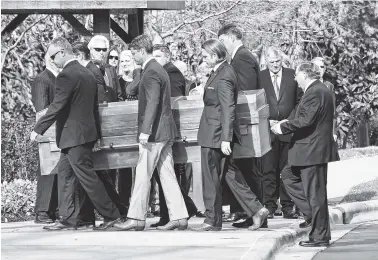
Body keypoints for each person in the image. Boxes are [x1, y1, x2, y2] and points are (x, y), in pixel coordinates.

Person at [30, 37, 121, 231]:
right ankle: (69, 218)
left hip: (74, 137)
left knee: (87, 178)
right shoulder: (87, 73)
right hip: (82, 136)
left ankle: (112, 214)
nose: (52, 60)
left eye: (53, 56)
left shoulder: (66, 75)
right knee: (65, 176)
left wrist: (38, 128)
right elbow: (94, 109)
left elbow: (57, 106)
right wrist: (97, 135)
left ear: (63, 52)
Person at [191, 39, 269, 232]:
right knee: (230, 175)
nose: (203, 59)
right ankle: (257, 210)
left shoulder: (224, 75)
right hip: (215, 132)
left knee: (211, 177)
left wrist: (226, 138)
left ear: (216, 55)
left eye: (206, 55)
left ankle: (212, 220)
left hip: (215, 135)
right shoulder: (222, 72)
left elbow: (228, 108)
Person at [113, 35, 188, 231]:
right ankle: (179, 216)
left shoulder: (152, 72)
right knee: (167, 174)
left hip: (154, 134)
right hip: (164, 132)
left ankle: (136, 218)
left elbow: (153, 102)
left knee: (142, 173)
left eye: (133, 53)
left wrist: (145, 131)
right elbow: (132, 89)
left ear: (140, 51)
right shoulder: (154, 69)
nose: (133, 57)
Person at [271, 62, 334, 247]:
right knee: (289, 175)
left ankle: (319, 236)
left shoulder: (315, 91)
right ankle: (311, 216)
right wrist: (283, 121)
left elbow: (306, 120)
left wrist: (282, 127)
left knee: (316, 194)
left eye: (297, 75)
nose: (295, 79)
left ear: (305, 75)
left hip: (312, 151)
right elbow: (304, 115)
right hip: (309, 150)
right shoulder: (317, 90)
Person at [72, 42, 128, 229]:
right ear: (88, 51)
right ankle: (113, 211)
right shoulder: (91, 71)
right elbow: (95, 104)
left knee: (98, 173)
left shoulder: (104, 71)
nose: (103, 53)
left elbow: (104, 101)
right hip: (93, 129)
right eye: (98, 49)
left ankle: (111, 212)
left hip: (96, 130)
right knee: (98, 173)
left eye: (105, 50)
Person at [218, 23, 264, 226]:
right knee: (244, 168)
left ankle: (254, 212)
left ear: (231, 38)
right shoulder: (241, 56)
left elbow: (244, 93)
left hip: (243, 122)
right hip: (243, 122)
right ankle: (250, 212)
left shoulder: (242, 57)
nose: (221, 46)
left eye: (222, 41)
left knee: (245, 168)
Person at [149, 44, 198, 228]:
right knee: (164, 173)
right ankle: (172, 213)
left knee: (166, 174)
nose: (155, 59)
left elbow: (173, 103)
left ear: (167, 56)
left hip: (170, 131)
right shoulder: (164, 71)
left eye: (158, 55)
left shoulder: (171, 73)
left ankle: (174, 213)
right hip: (167, 131)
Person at [260, 47, 303, 219]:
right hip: (268, 129)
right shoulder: (260, 76)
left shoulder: (291, 75)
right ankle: (269, 206)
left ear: (281, 59)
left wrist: (288, 121)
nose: (275, 65)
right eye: (272, 62)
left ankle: (288, 206)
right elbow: (255, 100)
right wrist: (266, 119)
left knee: (288, 169)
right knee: (268, 169)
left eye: (277, 61)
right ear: (266, 62)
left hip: (287, 129)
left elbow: (299, 101)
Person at [31, 54, 59, 224]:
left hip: (56, 131)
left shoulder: (56, 78)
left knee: (54, 171)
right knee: (46, 172)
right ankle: (42, 211)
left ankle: (52, 210)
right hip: (48, 131)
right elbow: (42, 109)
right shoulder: (43, 79)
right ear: (50, 60)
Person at [88, 35, 123, 102]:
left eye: (104, 50)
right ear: (91, 50)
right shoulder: (86, 69)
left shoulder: (110, 69)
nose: (101, 52)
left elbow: (119, 95)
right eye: (98, 49)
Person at [311, 57, 338, 143]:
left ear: (325, 69)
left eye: (322, 67)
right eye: (316, 66)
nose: (319, 69)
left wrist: (334, 131)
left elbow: (333, 110)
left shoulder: (329, 86)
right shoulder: (307, 85)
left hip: (326, 129)